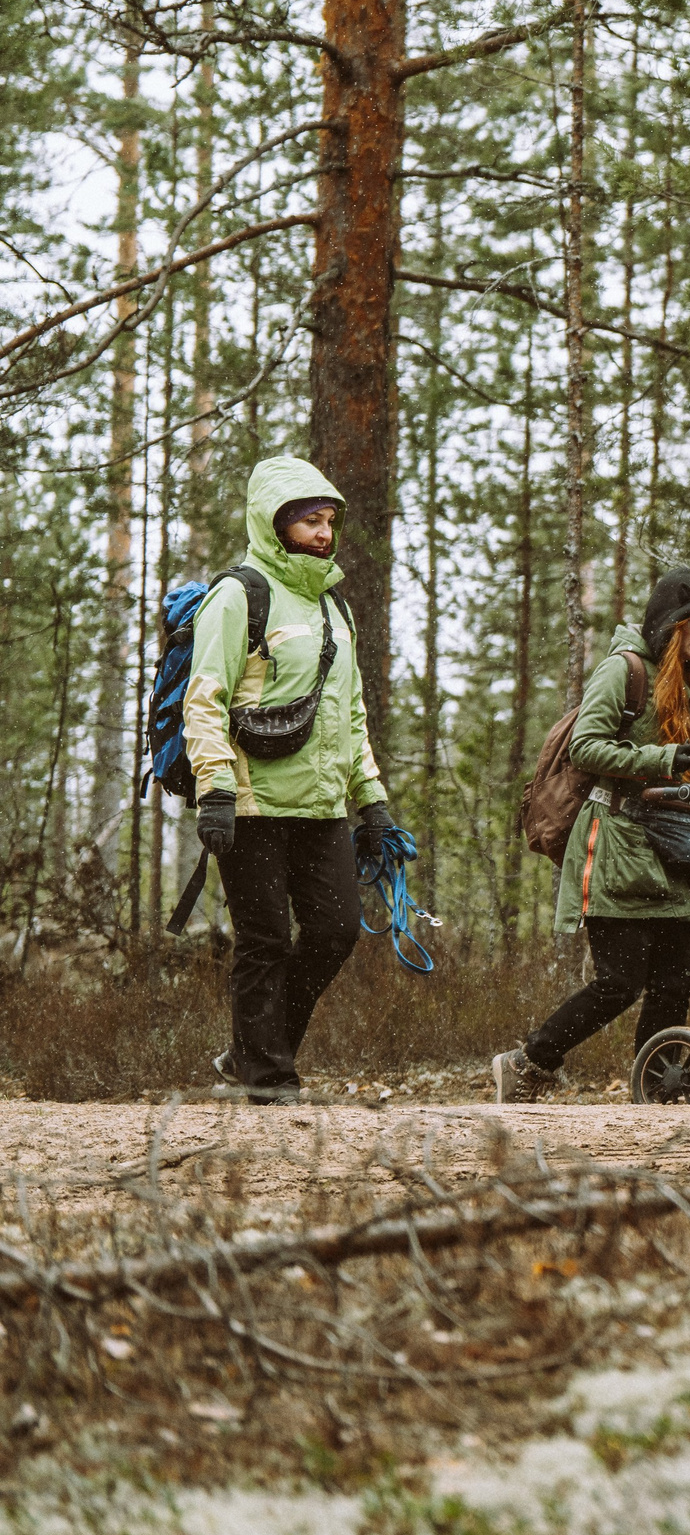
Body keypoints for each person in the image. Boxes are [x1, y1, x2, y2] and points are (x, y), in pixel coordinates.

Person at [185, 456, 399, 1102]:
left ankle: (250, 1053)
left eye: (329, 520)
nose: (323, 532)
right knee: (265, 941)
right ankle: (271, 1081)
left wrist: (374, 802)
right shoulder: (237, 594)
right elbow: (206, 697)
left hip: (324, 806)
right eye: (310, 520)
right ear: (274, 522)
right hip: (249, 804)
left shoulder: (338, 609)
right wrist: (215, 788)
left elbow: (351, 715)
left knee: (335, 932)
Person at [494, 569, 690, 1101]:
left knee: (676, 984)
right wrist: (667, 758)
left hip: (675, 844)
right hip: (617, 844)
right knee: (618, 984)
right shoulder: (623, 671)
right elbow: (586, 748)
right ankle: (529, 1061)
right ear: (667, 624)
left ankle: (657, 1088)